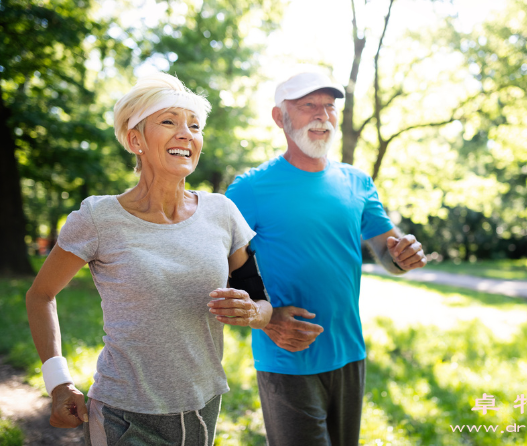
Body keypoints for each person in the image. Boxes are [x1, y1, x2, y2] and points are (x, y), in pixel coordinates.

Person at [26, 72, 273, 446]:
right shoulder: (98, 218)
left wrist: (253, 313)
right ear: (135, 139)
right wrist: (58, 383)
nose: (185, 133)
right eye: (169, 121)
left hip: (203, 408)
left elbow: (262, 301)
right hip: (124, 415)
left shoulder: (222, 212)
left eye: (194, 125)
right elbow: (40, 295)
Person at [225, 71, 428, 446]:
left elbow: (388, 252)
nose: (323, 115)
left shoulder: (358, 182)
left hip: (350, 351)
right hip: (287, 354)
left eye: (329, 106)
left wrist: (405, 255)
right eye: (308, 106)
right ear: (278, 117)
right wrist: (266, 319)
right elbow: (220, 267)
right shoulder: (249, 189)